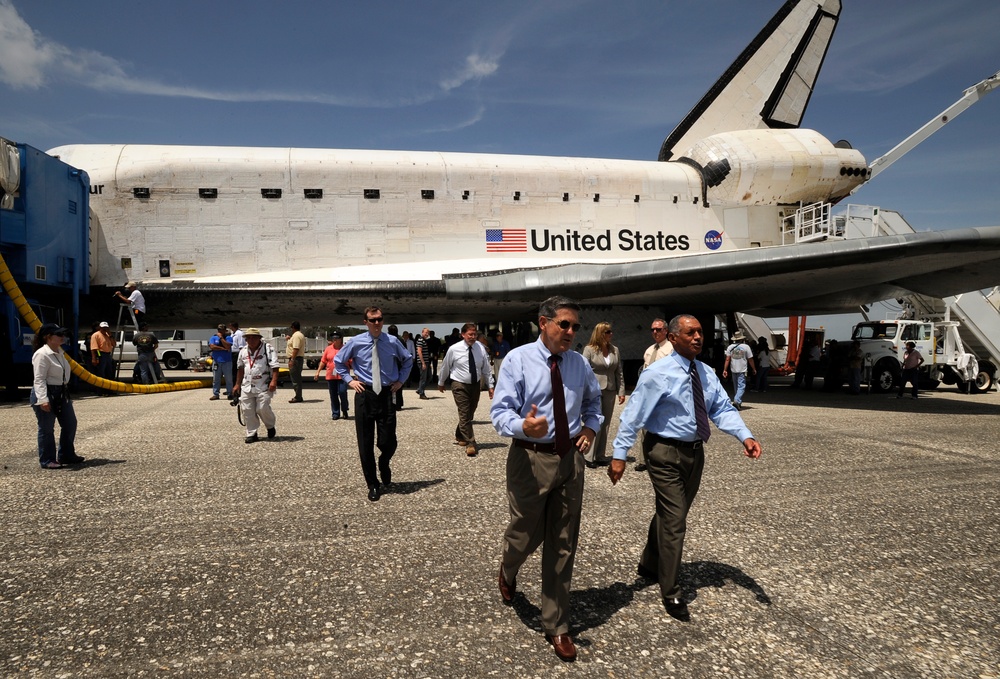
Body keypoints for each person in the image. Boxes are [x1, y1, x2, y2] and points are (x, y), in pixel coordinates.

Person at [609, 314, 762, 622]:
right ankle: (671, 589)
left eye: (700, 333)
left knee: (670, 514)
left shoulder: (705, 373)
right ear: (674, 338)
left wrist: (744, 436)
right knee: (675, 520)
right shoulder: (657, 373)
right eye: (690, 333)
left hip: (694, 453)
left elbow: (720, 408)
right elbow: (634, 414)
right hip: (663, 452)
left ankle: (650, 562)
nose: (697, 337)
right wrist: (619, 453)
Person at [490, 296, 602, 662]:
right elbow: (500, 411)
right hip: (529, 458)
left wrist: (590, 427)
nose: (571, 332)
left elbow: (594, 403)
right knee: (524, 530)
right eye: (564, 325)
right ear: (544, 322)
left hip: (570, 460)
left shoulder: (579, 363)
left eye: (575, 326)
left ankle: (556, 624)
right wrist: (523, 425)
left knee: (563, 541)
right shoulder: (518, 359)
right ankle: (509, 567)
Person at [334, 306, 413, 502]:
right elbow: (338, 361)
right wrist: (350, 380)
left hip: (386, 393)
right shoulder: (356, 342)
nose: (376, 323)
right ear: (365, 322)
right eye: (372, 320)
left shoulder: (392, 341)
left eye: (379, 319)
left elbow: (408, 360)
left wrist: (401, 381)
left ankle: (384, 461)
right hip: (365, 393)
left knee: (388, 440)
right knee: (365, 443)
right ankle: (373, 484)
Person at [30, 323, 84, 468]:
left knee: (70, 423)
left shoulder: (59, 352)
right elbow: (39, 379)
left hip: (61, 391)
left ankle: (66, 454)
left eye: (63, 334)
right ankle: (47, 460)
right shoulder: (42, 354)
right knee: (46, 428)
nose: (62, 337)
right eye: (59, 335)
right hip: (47, 391)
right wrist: (43, 399)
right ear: (48, 337)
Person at [438, 323, 495, 457]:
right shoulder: (454, 349)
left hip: (475, 384)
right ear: (463, 335)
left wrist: (490, 386)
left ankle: (460, 435)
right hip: (459, 384)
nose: (473, 337)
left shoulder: (480, 348)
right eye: (470, 334)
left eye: (475, 334)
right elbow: (446, 366)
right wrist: (441, 382)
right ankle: (471, 443)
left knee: (470, 413)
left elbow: (486, 369)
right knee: (464, 412)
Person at [581, 322, 625, 468]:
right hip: (594, 390)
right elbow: (583, 372)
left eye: (611, 331)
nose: (611, 334)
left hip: (610, 390)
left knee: (606, 423)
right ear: (600, 333)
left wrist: (621, 391)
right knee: (594, 421)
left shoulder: (615, 350)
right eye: (608, 332)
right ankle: (588, 456)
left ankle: (600, 455)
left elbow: (619, 372)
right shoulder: (589, 350)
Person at [634, 318, 673, 471]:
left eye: (658, 329)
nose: (655, 332)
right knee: (645, 427)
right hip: (648, 394)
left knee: (663, 427)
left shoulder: (671, 349)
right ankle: (644, 459)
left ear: (666, 331)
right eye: (653, 330)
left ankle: (663, 459)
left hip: (664, 394)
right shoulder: (650, 350)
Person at [233, 328, 280, 444]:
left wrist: (274, 381)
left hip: (263, 384)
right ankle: (252, 433)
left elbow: (275, 367)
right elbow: (240, 368)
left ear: (259, 338)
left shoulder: (267, 349)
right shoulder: (243, 351)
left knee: (262, 408)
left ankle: (270, 425)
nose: (251, 340)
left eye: (254, 337)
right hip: (247, 385)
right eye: (248, 338)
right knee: (247, 410)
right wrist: (237, 384)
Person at [315, 333, 349, 419]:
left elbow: (352, 361)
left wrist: (357, 374)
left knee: (342, 392)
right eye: (333, 338)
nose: (334, 339)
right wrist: (318, 372)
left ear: (340, 339)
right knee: (333, 394)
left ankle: (344, 410)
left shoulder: (345, 348)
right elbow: (323, 361)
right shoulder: (328, 349)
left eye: (336, 338)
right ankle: (335, 413)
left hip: (343, 375)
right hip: (331, 375)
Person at [723, 331, 755, 410]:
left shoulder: (730, 347)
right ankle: (737, 401)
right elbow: (750, 359)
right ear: (741, 339)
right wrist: (753, 368)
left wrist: (725, 369)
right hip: (742, 369)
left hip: (733, 369)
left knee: (736, 386)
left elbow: (727, 359)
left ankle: (738, 402)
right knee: (742, 386)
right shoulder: (746, 347)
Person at [208, 324, 234, 401]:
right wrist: (222, 348)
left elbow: (228, 346)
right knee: (216, 379)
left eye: (221, 330)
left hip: (227, 361)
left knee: (229, 379)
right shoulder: (213, 337)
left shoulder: (228, 338)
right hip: (216, 361)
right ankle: (216, 394)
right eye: (219, 330)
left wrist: (221, 338)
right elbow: (212, 347)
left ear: (225, 330)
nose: (220, 331)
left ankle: (230, 393)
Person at [89, 321, 117, 385]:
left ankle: (109, 388)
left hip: (108, 355)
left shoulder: (107, 335)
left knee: (109, 372)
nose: (105, 329)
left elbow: (114, 344)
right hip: (101, 354)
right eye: (103, 328)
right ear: (100, 328)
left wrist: (110, 335)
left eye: (106, 328)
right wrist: (97, 357)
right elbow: (94, 348)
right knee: (101, 372)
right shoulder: (96, 335)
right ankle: (101, 390)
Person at [387, 324, 406, 411]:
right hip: (399, 364)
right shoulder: (401, 340)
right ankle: (398, 403)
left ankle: (392, 403)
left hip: (391, 364)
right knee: (399, 384)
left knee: (390, 385)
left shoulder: (388, 340)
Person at [415, 328, 430, 399]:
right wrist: (423, 363)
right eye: (426, 332)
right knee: (423, 378)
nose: (427, 334)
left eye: (428, 333)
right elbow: (419, 351)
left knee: (430, 377)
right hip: (422, 363)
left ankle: (419, 389)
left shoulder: (425, 341)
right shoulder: (420, 340)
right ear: (422, 332)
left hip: (426, 362)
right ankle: (422, 393)